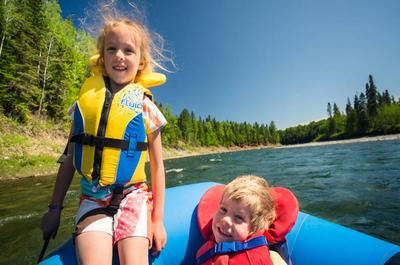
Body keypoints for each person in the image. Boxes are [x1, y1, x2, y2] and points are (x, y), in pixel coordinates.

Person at [41, 16, 169, 265]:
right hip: (92, 197)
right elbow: (69, 159)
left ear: (140, 62)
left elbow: (157, 167)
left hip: (134, 197)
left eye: (128, 50)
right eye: (112, 48)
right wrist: (54, 209)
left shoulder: (145, 107)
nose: (119, 55)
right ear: (102, 57)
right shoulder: (83, 104)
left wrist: (157, 220)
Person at [196, 175, 299, 265]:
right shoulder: (208, 249)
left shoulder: (272, 259)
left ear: (254, 228)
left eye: (239, 217)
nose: (225, 219)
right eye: (223, 209)